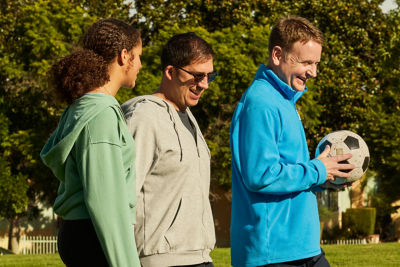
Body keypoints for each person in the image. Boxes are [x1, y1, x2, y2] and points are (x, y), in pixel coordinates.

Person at [230, 16, 355, 267]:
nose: (314, 72)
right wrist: (319, 169)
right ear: (278, 55)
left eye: (316, 63)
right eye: (307, 62)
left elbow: (288, 171)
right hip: (274, 253)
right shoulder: (261, 103)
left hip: (301, 248)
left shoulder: (284, 101)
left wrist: (325, 179)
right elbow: (260, 175)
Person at [40, 18, 142, 267]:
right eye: (138, 56)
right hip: (95, 236)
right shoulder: (101, 113)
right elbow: (105, 199)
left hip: (82, 233)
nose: (140, 64)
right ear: (124, 56)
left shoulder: (82, 106)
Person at [122, 32, 217, 267]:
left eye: (209, 76)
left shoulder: (188, 115)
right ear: (170, 72)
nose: (204, 84)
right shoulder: (143, 117)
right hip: (161, 260)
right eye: (197, 76)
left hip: (200, 257)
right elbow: (123, 197)